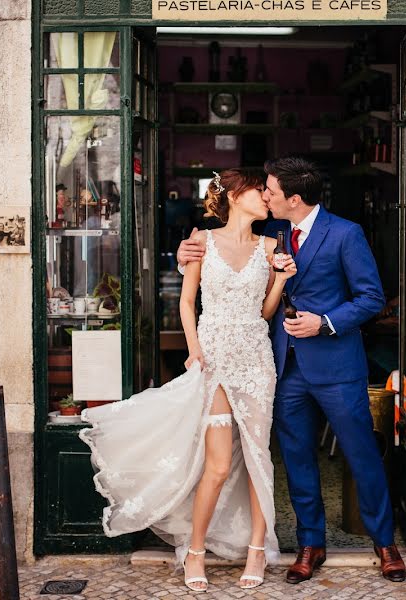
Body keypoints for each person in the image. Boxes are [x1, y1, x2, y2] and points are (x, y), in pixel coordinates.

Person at [177, 156, 406, 583]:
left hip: (337, 365)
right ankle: (310, 543)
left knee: (361, 454)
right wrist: (183, 252)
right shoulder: (271, 232)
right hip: (282, 365)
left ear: (294, 198)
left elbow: (372, 297)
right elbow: (224, 253)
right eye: (262, 189)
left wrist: (326, 322)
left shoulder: (346, 233)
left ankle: (384, 543)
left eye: (271, 191)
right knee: (297, 458)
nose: (265, 195)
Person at [79, 168, 297, 593]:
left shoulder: (270, 246)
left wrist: (282, 280)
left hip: (255, 362)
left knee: (257, 460)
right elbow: (186, 302)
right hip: (213, 359)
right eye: (259, 191)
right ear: (235, 196)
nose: (266, 198)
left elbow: (265, 313)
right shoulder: (202, 242)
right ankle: (195, 549)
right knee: (216, 465)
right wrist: (194, 350)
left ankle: (257, 549)